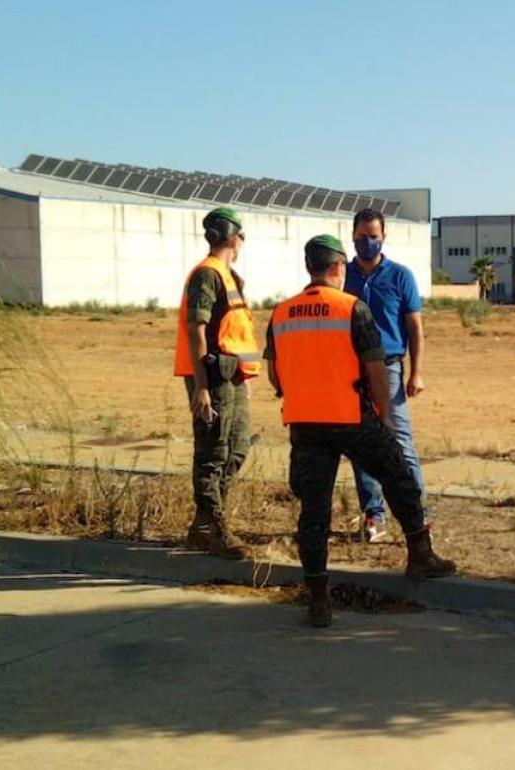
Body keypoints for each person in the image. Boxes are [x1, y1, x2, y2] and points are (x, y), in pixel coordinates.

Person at [265, 234, 456, 628]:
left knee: (313, 513)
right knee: (398, 475)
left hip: (304, 424)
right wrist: (384, 417)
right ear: (339, 268)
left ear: (309, 267)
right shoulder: (352, 308)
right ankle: (420, 555)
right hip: (351, 417)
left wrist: (295, 393)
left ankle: (318, 599)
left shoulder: (281, 313)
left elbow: (274, 371)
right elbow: (374, 369)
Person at [173, 206, 261, 560]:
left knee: (237, 447)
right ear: (231, 235)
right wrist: (202, 387)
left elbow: (234, 332)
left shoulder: (229, 276)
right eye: (240, 234)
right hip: (213, 378)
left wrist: (244, 377)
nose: (242, 241)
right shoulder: (207, 275)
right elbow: (197, 330)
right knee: (212, 453)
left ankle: (203, 526)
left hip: (233, 378)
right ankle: (217, 528)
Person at [342, 208, 428, 542]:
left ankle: (416, 512)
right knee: (363, 444)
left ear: (384, 237)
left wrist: (417, 372)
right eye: (362, 237)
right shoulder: (343, 276)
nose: (368, 243)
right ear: (353, 236)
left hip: (390, 367)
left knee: (399, 440)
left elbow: (415, 327)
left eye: (373, 237)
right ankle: (373, 515)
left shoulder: (400, 276)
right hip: (353, 368)